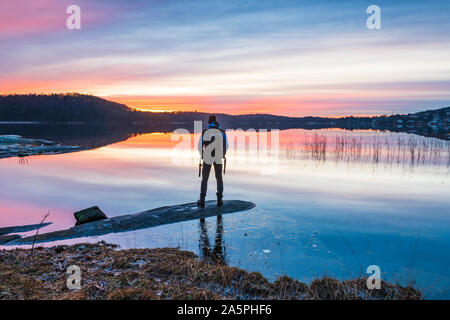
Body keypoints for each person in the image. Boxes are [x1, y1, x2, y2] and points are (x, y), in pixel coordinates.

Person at [197, 115, 228, 208]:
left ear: (209, 122)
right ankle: (219, 200)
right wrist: (223, 154)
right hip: (218, 157)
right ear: (216, 121)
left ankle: (202, 200)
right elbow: (226, 145)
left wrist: (202, 155)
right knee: (219, 179)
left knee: (204, 179)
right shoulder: (222, 132)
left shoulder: (205, 132)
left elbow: (199, 147)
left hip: (207, 156)